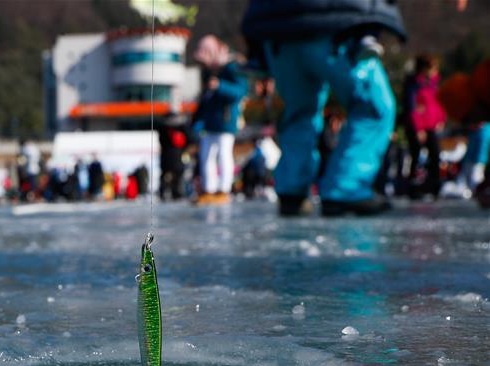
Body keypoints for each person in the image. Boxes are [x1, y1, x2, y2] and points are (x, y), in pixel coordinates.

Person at [242, 0, 405, 216]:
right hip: (339, 25)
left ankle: (292, 189)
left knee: (299, 111)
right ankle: (347, 188)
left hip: (279, 29)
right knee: (372, 107)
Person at [191, 35, 247, 206]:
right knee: (206, 155)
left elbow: (240, 91)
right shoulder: (209, 72)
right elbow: (205, 101)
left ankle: (223, 189)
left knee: (224, 154)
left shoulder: (232, 67)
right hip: (211, 123)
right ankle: (209, 189)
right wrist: (196, 120)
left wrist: (220, 86)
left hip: (226, 121)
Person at [403, 54, 446, 199]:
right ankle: (413, 187)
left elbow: (438, 103)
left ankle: (434, 185)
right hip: (418, 126)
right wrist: (418, 128)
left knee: (435, 155)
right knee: (416, 155)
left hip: (432, 125)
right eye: (432, 68)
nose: (435, 71)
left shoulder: (434, 84)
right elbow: (412, 107)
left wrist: (441, 119)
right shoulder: (414, 84)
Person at [157, 113, 189, 201]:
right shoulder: (181, 126)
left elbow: (161, 141)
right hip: (178, 154)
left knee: (165, 175)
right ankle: (176, 193)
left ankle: (163, 192)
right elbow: (188, 139)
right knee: (177, 175)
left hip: (166, 155)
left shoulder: (163, 127)